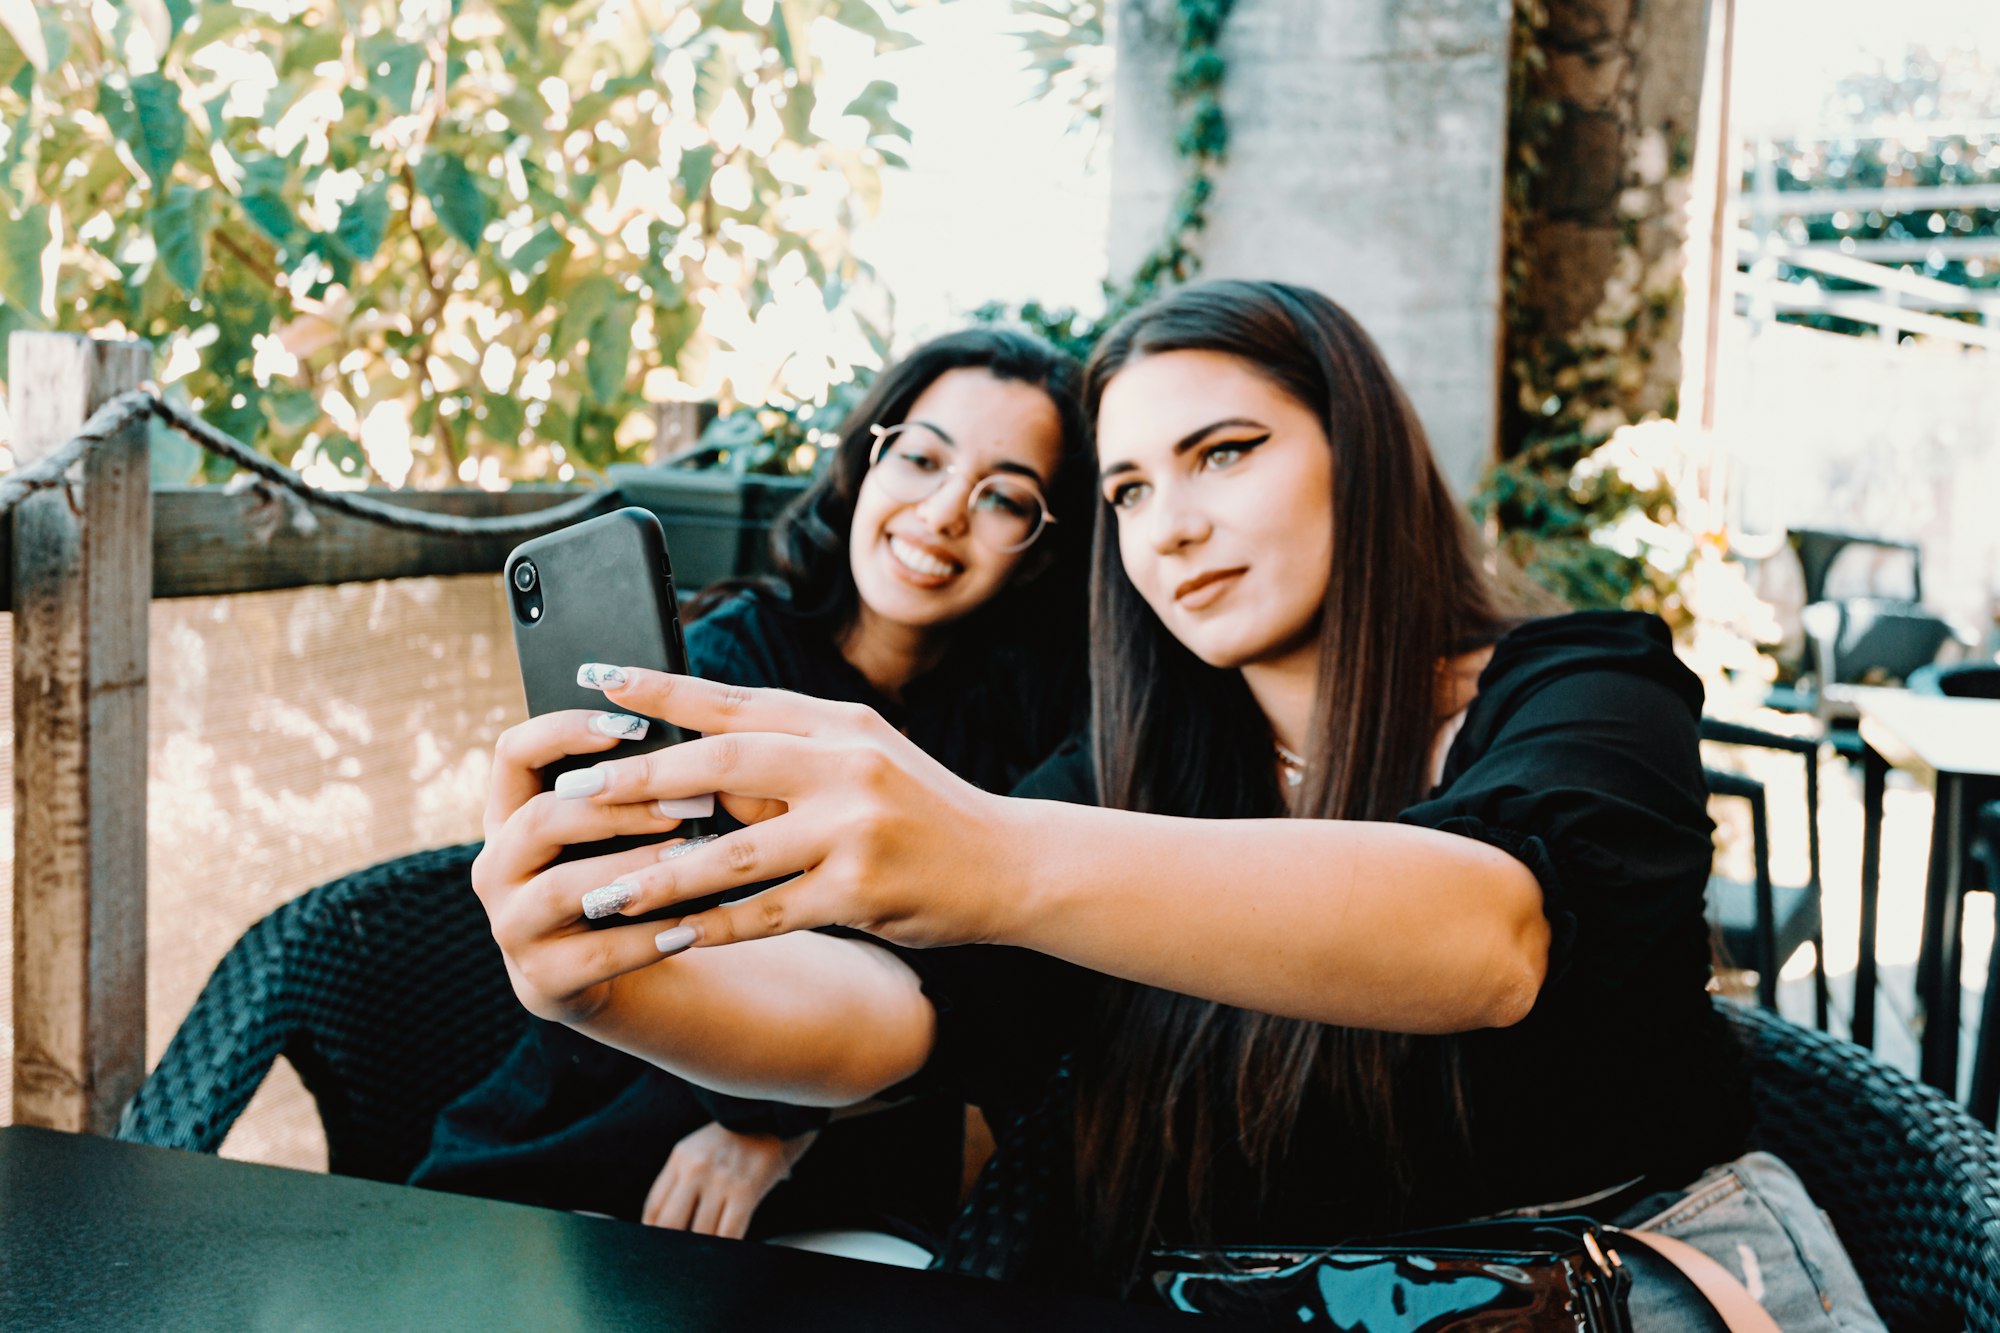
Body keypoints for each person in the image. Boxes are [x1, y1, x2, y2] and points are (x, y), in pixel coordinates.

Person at [465, 282, 1882, 1327]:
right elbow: (892, 1019)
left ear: (1359, 453)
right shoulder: (1129, 780)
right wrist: (608, 978)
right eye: (1132, 491)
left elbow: (1491, 935)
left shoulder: (1579, 682)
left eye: (1224, 454)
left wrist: (983, 850)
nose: (1175, 526)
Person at [411, 326, 1093, 1244]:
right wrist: (758, 1118)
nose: (941, 513)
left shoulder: (1012, 725)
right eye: (922, 459)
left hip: (840, 1177)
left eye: (1004, 496)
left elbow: (1005, 1001)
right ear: (866, 461)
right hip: (600, 1133)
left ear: (1041, 548)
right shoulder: (727, 664)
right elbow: (658, 930)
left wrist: (781, 1131)